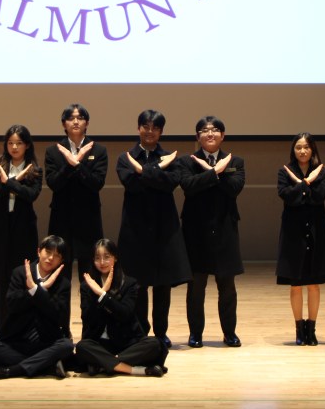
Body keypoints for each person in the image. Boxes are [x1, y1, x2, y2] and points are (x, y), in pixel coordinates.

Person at [116, 109, 191, 347]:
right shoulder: (126, 157)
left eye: (155, 128)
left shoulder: (171, 157)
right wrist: (158, 170)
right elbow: (132, 185)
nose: (150, 131)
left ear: (161, 131)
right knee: (137, 286)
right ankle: (140, 333)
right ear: (138, 128)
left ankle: (160, 333)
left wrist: (144, 171)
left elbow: (170, 184)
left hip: (164, 229)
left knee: (162, 286)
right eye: (146, 127)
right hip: (135, 230)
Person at [175, 116, 246, 348]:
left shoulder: (235, 161)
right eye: (204, 130)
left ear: (222, 136)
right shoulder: (187, 161)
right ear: (198, 137)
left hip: (225, 231)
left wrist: (211, 172)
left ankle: (230, 333)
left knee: (227, 288)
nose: (210, 134)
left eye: (215, 130)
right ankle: (195, 334)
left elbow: (234, 189)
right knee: (196, 288)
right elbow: (189, 186)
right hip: (196, 232)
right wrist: (215, 172)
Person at [44, 103, 109, 327]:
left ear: (87, 123)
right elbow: (53, 183)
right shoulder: (54, 151)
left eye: (80, 117)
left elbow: (96, 184)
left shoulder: (98, 150)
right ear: (64, 124)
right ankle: (60, 329)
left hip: (88, 223)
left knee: (88, 278)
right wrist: (69, 164)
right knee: (59, 278)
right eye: (71, 118)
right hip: (61, 222)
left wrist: (78, 164)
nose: (75, 121)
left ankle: (90, 329)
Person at [0, 235, 74, 380]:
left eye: (56, 256)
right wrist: (38, 289)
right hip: (17, 341)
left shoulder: (63, 283)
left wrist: (36, 290)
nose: (50, 258)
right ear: (39, 251)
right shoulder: (20, 273)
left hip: (45, 342)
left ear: (61, 261)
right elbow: (12, 305)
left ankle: (10, 371)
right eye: (48, 252)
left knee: (66, 346)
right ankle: (46, 366)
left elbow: (57, 315)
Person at [0, 124, 43, 335]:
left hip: (23, 231)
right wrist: (13, 182)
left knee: (23, 279)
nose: (14, 147)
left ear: (27, 145)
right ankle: (0, 330)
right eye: (10, 143)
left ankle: (22, 331)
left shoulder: (35, 169)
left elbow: (31, 195)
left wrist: (10, 182)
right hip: (0, 230)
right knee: (2, 280)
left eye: (19, 143)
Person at [276, 132, 325, 346]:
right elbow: (287, 197)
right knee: (295, 284)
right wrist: (307, 183)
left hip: (316, 229)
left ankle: (311, 329)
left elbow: (319, 197)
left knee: (313, 284)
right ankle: (299, 329)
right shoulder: (285, 171)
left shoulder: (323, 171)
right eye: (298, 147)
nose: (302, 151)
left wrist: (300, 187)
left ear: (313, 149)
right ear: (293, 150)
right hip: (292, 231)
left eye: (306, 147)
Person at [76, 239, 167, 377]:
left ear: (115, 258)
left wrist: (102, 295)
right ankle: (136, 370)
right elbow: (88, 318)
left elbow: (125, 314)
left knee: (155, 344)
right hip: (99, 343)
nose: (102, 262)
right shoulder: (87, 286)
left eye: (107, 257)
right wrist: (100, 293)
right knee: (82, 347)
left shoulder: (130, 284)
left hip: (125, 343)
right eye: (97, 258)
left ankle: (103, 364)